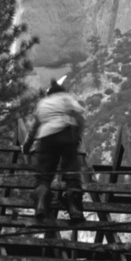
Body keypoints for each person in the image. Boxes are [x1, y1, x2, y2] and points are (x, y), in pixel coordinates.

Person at [26, 77, 87, 221]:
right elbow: (79, 117)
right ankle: (74, 208)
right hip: (67, 135)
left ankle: (41, 202)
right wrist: (77, 136)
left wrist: (27, 146)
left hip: (46, 138)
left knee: (44, 175)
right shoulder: (66, 99)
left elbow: (34, 127)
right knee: (72, 174)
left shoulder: (43, 103)